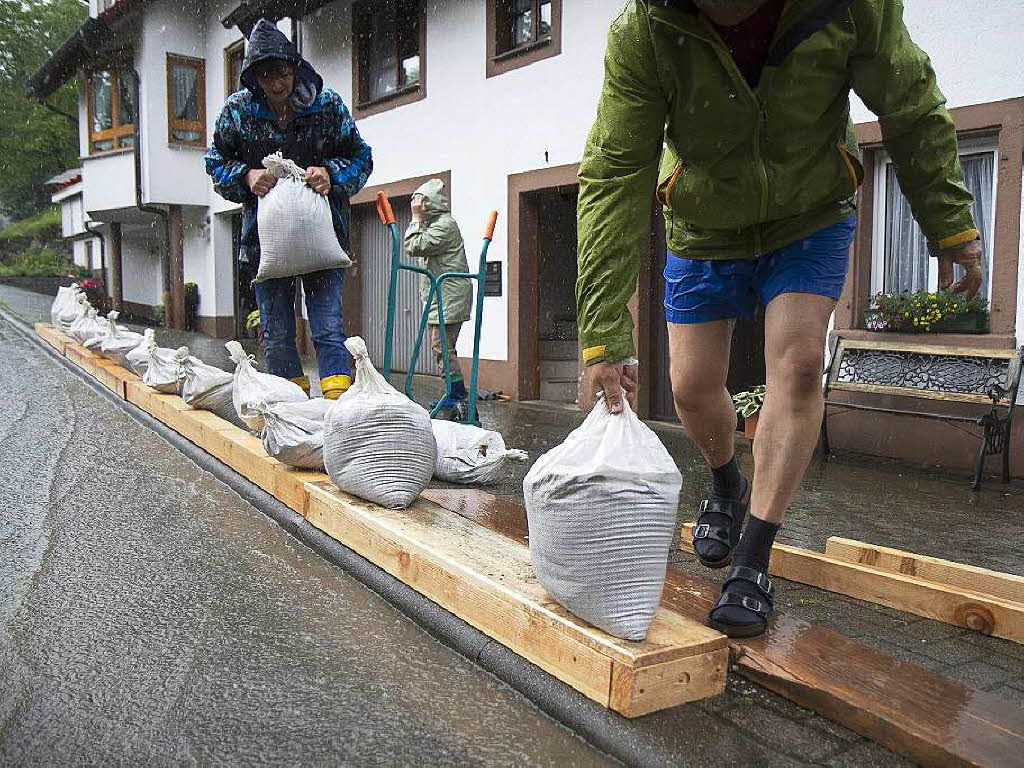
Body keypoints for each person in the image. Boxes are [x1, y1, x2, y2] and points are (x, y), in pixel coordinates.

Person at [576, 0, 984, 637]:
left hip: (809, 214)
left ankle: (754, 557)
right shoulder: (649, 27)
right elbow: (616, 169)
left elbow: (909, 104)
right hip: (705, 223)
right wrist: (603, 332)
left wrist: (950, 223)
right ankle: (726, 482)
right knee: (689, 385)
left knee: (796, 366)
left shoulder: (850, 6)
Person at [205, 18, 372, 400]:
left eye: (281, 73)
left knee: (328, 328)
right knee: (277, 333)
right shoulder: (238, 112)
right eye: (266, 77)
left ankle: (336, 409)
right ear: (253, 79)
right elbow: (215, 161)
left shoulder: (325, 105)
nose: (277, 84)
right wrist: (246, 176)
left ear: (295, 67)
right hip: (265, 244)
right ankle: (292, 409)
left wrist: (331, 173)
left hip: (324, 240)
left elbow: (361, 156)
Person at [404, 179, 473, 413]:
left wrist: (415, 219)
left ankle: (457, 393)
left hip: (450, 297)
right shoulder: (436, 224)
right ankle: (453, 392)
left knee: (441, 345)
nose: (416, 206)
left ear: (428, 203)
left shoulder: (444, 225)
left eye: (419, 201)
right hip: (444, 297)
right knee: (441, 346)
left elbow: (414, 246)